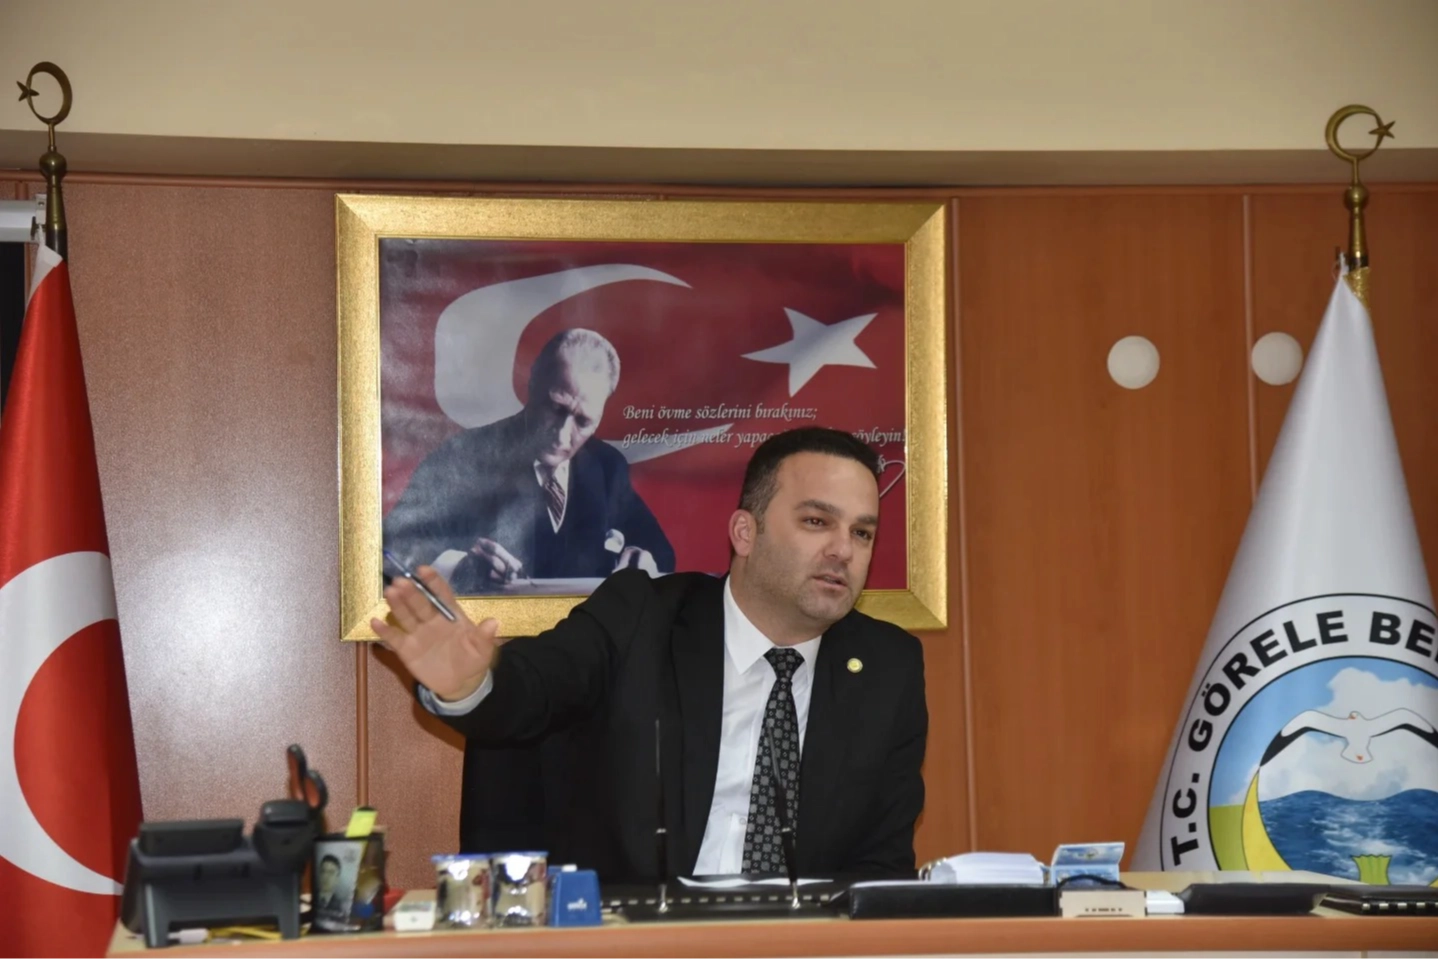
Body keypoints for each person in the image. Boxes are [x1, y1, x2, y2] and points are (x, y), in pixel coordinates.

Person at [373, 427, 928, 882]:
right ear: (745, 533)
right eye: (816, 522)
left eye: (862, 533)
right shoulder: (639, 616)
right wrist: (471, 686)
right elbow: (536, 688)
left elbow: (881, 867)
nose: (843, 550)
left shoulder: (887, 667)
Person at [382, 327, 674, 592]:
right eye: (556, 408)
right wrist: (458, 569)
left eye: (583, 422)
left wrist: (643, 559)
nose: (562, 436)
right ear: (532, 384)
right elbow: (391, 551)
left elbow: (661, 551)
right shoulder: (461, 459)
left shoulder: (607, 466)